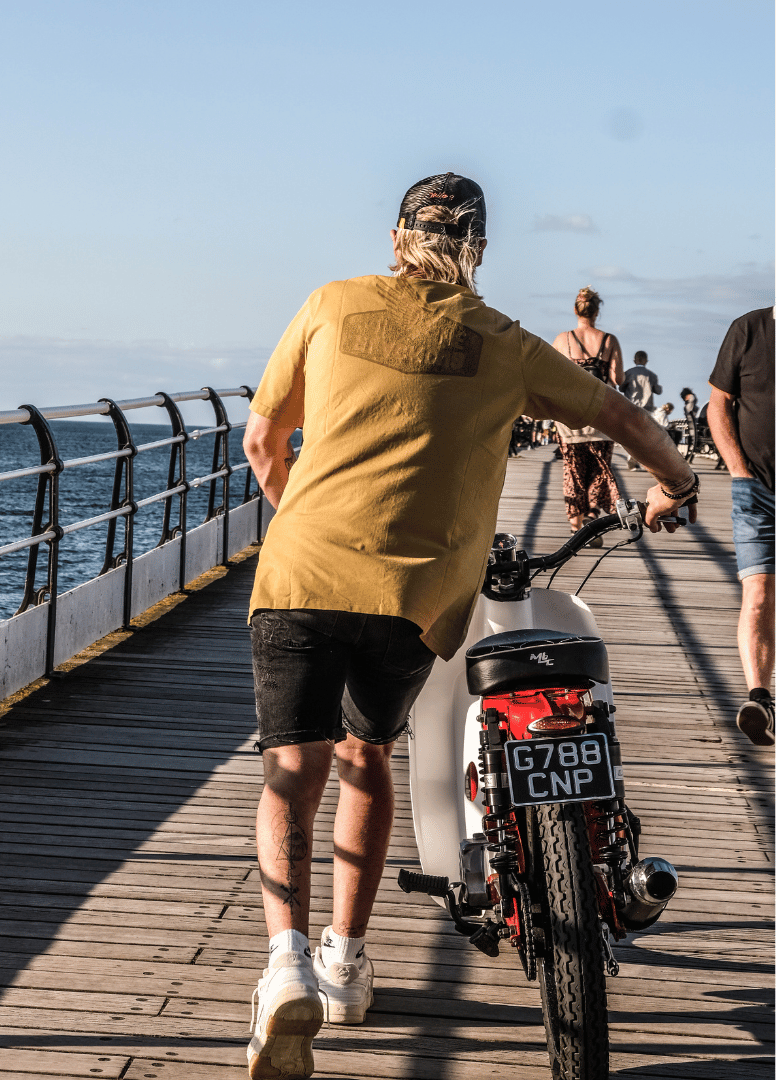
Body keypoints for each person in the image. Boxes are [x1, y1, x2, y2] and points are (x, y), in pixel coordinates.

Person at [241, 172, 699, 1080]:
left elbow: (263, 443)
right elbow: (626, 419)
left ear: (396, 234)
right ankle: (345, 957)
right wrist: (677, 488)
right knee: (367, 758)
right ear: (477, 250)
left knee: (292, 772)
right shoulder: (506, 343)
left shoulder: (330, 305)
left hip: (298, 577)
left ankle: (285, 961)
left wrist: (303, 522)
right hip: (413, 600)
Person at [707, 307, 775, 746]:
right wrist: (738, 471)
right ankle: (759, 699)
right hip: (756, 491)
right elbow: (718, 405)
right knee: (760, 593)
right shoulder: (748, 330)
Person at [551, 288, 626, 544]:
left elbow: (552, 378)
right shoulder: (609, 340)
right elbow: (618, 379)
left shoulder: (563, 340)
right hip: (602, 419)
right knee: (599, 470)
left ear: (576, 309)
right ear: (597, 310)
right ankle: (593, 515)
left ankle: (575, 529)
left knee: (573, 471)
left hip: (570, 419)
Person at [622, 351, 663, 468]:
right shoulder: (652, 375)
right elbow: (658, 391)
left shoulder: (628, 373)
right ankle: (636, 459)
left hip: (631, 407)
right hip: (647, 409)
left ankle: (632, 458)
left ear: (635, 360)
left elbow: (621, 387)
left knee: (631, 434)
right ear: (646, 361)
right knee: (643, 436)